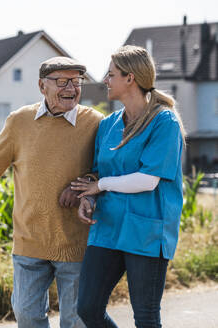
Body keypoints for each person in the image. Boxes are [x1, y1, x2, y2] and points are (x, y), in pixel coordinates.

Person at [0, 56, 103, 328]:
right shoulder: (20, 121)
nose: (71, 88)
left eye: (76, 81)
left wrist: (85, 184)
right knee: (27, 316)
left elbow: (109, 169)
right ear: (42, 86)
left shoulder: (96, 122)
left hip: (76, 242)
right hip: (29, 240)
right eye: (62, 81)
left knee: (75, 321)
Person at [71, 45, 186, 328]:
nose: (105, 81)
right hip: (107, 228)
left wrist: (102, 185)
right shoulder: (108, 124)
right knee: (87, 307)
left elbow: (148, 180)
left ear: (130, 79)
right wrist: (89, 198)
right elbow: (98, 173)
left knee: (145, 317)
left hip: (146, 231)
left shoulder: (164, 122)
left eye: (111, 75)